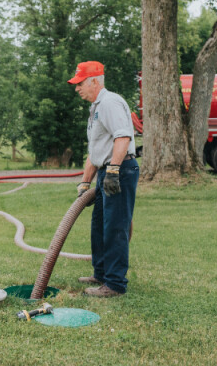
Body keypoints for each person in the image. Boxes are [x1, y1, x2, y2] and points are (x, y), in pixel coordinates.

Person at [68, 61, 139, 297]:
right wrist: (85, 182)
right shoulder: (96, 107)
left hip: (119, 170)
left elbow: (123, 138)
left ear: (95, 81)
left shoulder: (109, 103)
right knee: (99, 225)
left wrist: (113, 171)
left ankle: (115, 284)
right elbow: (96, 151)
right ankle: (101, 273)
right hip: (104, 171)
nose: (77, 88)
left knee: (115, 227)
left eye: (80, 84)